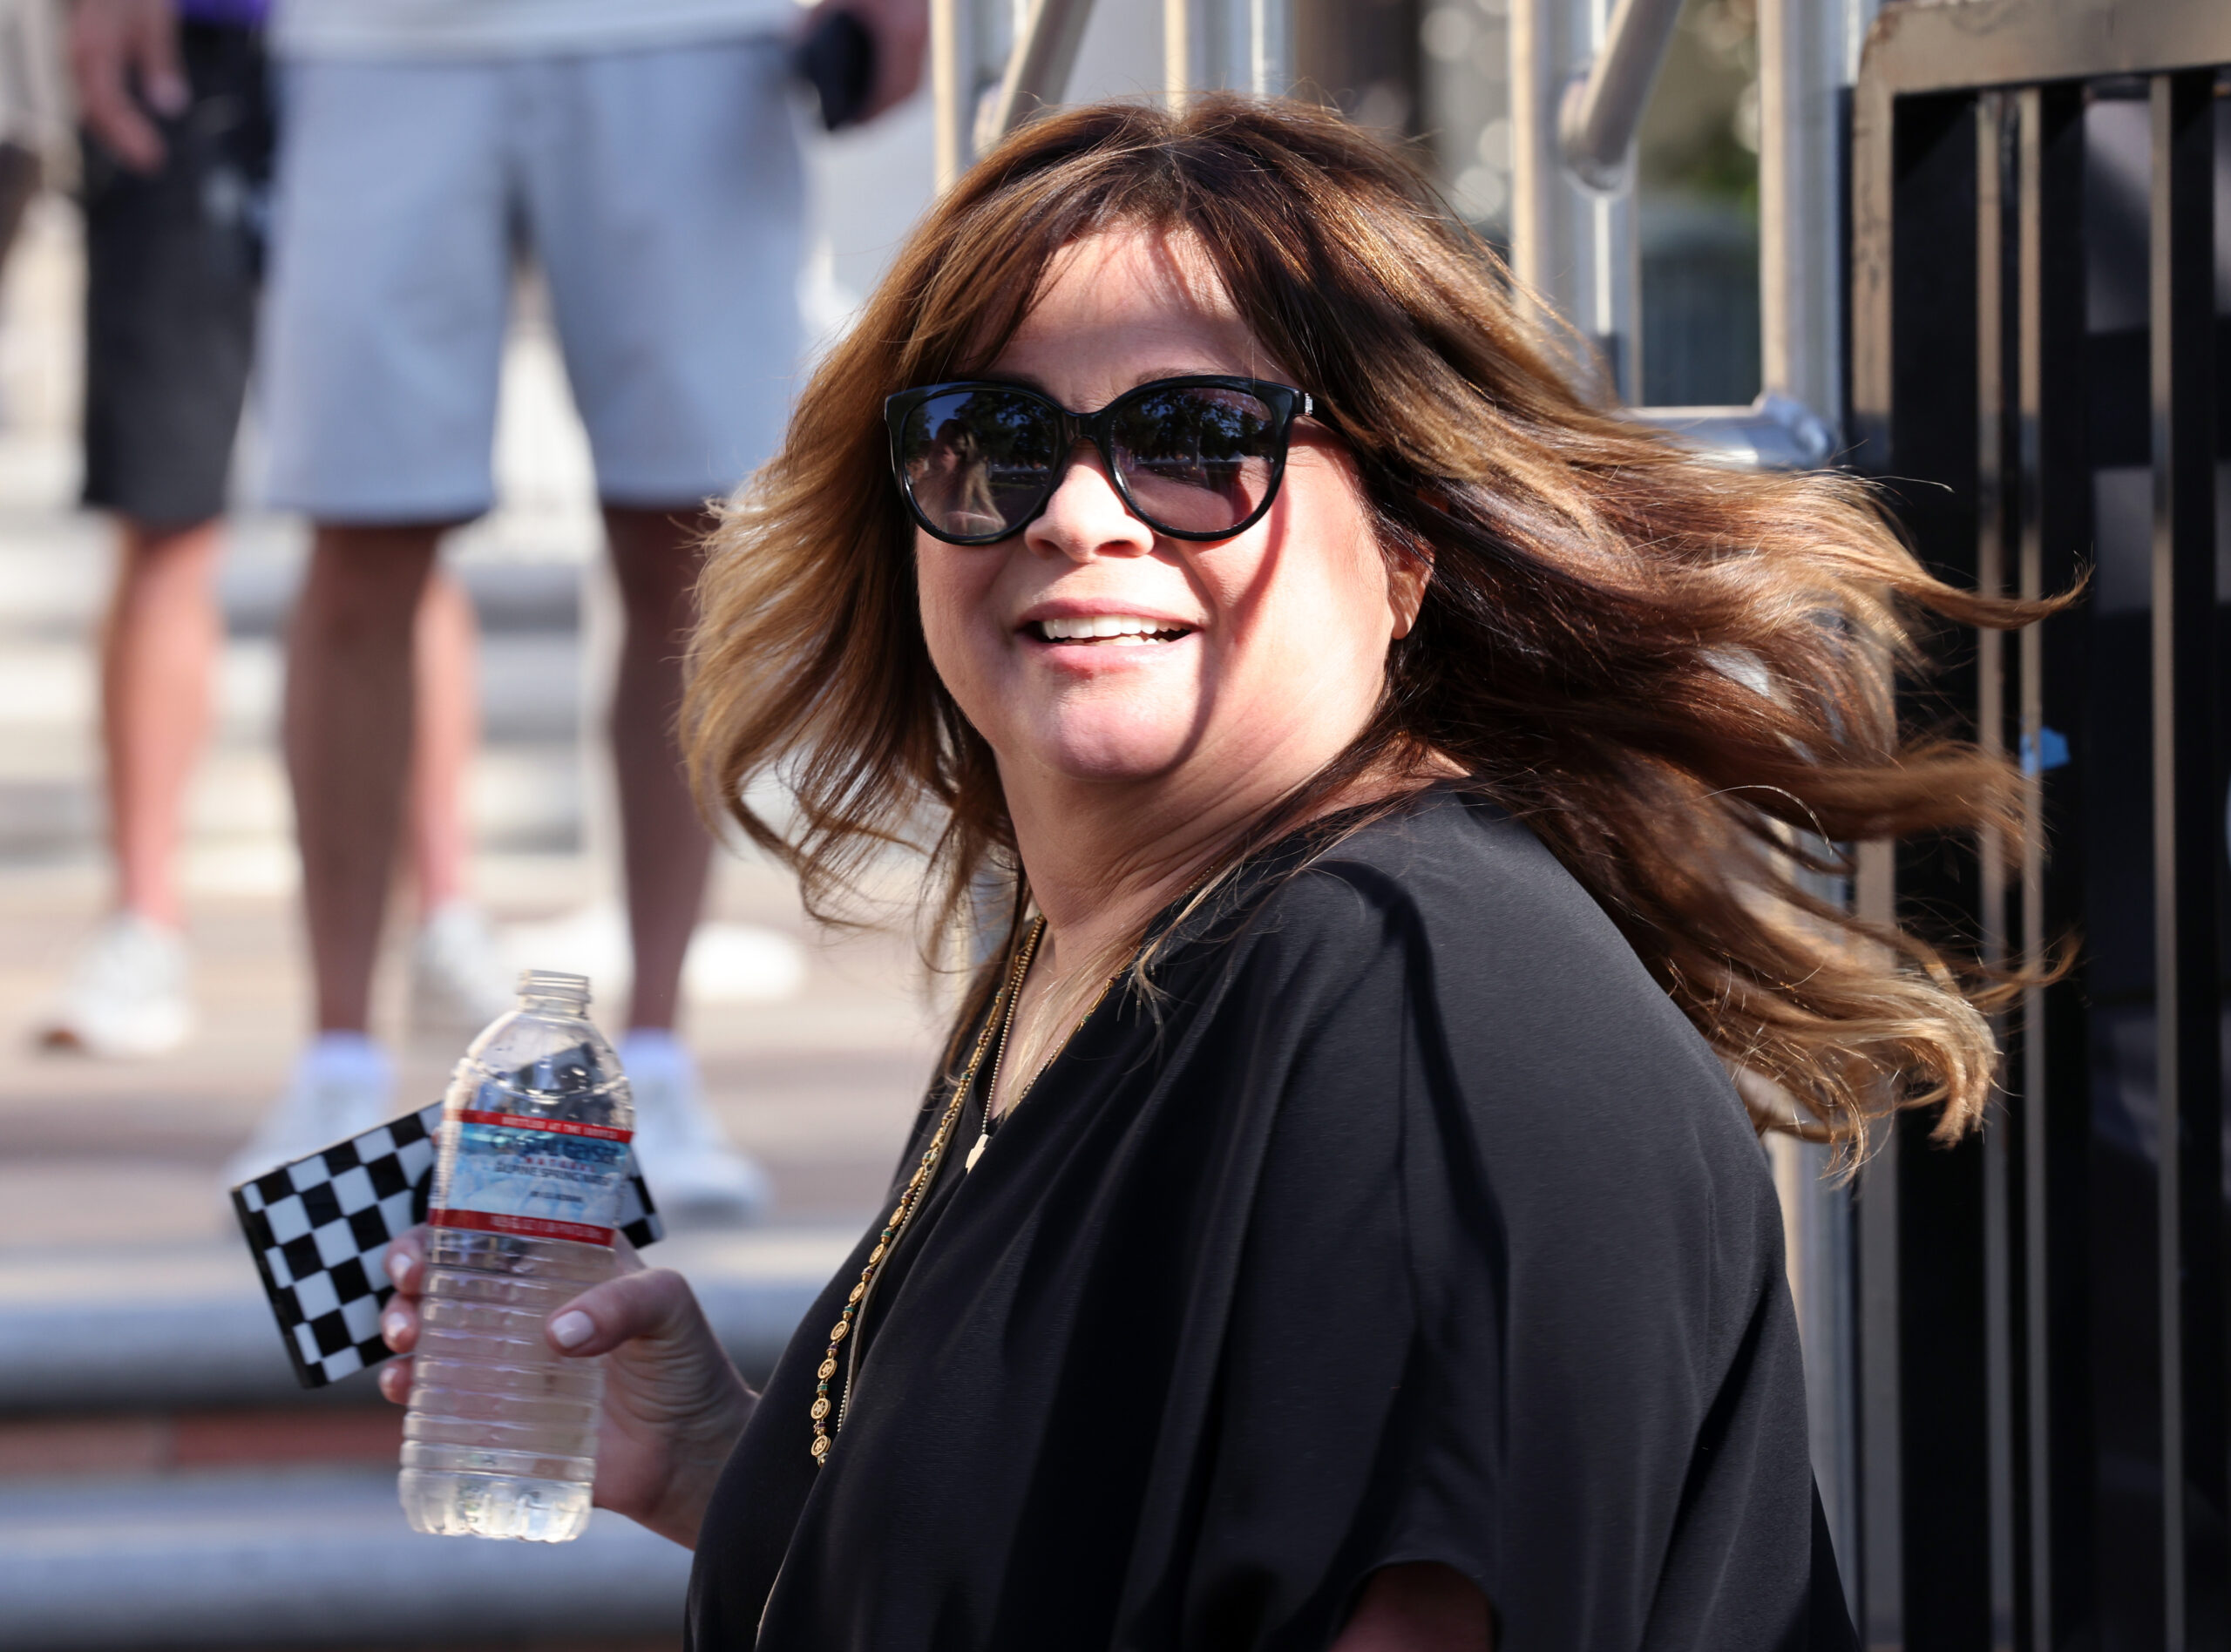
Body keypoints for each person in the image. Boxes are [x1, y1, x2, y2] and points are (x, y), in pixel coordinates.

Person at [377, 98, 2043, 1645]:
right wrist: (715, 1464)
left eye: (1195, 435)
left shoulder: (1415, 1010)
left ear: (1411, 544)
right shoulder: (1123, 955)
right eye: (992, 436)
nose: (1080, 512)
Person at [241, 0, 921, 1214]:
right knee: (360, 535)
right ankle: (337, 1071)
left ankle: (653, 1068)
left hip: (689, 31)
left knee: (684, 549)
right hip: (372, 42)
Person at [41, 0, 506, 1070]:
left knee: (399, 514)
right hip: (195, 47)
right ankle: (144, 923)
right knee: (166, 513)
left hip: (400, 52)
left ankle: (443, 914)